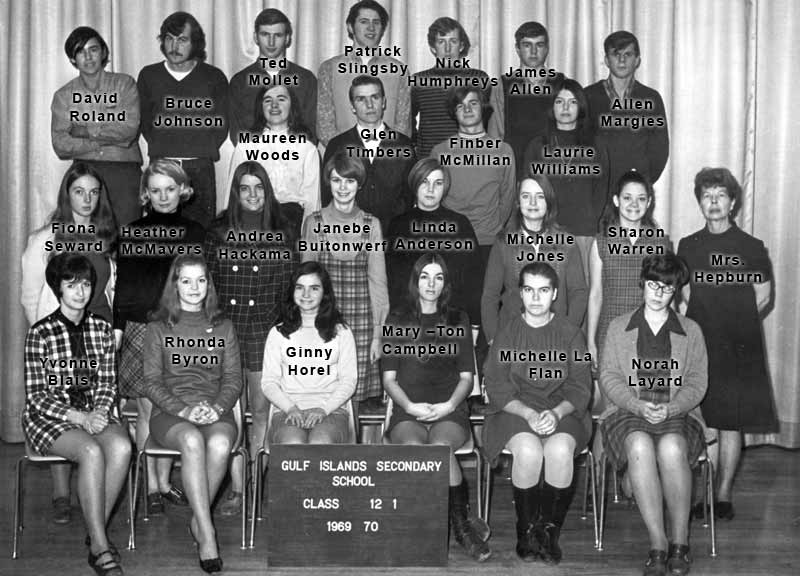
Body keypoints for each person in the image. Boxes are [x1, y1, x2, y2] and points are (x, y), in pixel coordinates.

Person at [20, 162, 118, 525]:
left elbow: (112, 286)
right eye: (79, 191)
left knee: (95, 407)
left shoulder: (105, 235)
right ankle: (62, 492)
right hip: (60, 338)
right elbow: (31, 297)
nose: (87, 198)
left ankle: (94, 499)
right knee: (62, 402)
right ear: (67, 195)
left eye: (94, 192)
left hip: (99, 333)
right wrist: (52, 340)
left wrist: (114, 333)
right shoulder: (46, 238)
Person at [599, 253, 708, 576]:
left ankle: (680, 541)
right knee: (639, 445)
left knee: (672, 447)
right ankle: (659, 544)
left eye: (667, 287)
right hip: (629, 410)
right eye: (652, 285)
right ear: (642, 285)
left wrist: (672, 407)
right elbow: (609, 376)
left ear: (676, 291)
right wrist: (637, 405)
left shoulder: (692, 330)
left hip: (678, 411)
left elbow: (698, 382)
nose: (658, 292)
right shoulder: (619, 327)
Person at [677, 167, 776, 521]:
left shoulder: (750, 247)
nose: (714, 202)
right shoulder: (688, 246)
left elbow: (763, 296)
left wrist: (736, 322)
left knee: (731, 422)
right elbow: (685, 296)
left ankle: (722, 496)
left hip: (739, 345)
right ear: (700, 203)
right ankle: (701, 491)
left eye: (720, 196)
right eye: (707, 196)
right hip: (702, 344)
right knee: (707, 420)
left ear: (732, 202)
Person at [23, 253, 131, 576]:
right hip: (51, 418)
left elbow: (107, 382)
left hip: (92, 412)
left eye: (85, 284)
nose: (80, 292)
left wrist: (99, 411)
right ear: (58, 288)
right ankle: (99, 544)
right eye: (72, 285)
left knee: (123, 447)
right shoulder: (40, 334)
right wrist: (81, 418)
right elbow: (37, 396)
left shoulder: (101, 329)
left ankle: (94, 528)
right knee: (90, 450)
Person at [382, 253, 491, 562]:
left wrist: (446, 406)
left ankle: (459, 527)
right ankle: (420, 526)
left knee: (440, 449)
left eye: (438, 277)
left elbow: (467, 378)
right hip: (408, 410)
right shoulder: (397, 319)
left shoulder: (458, 319)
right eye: (425, 276)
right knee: (416, 449)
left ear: (446, 284)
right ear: (415, 281)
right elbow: (389, 379)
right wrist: (410, 406)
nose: (431, 284)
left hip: (450, 410)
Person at [483, 262, 592, 564]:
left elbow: (581, 386)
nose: (535, 298)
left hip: (564, 410)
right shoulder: (507, 334)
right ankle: (526, 529)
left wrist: (556, 414)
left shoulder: (572, 334)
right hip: (514, 410)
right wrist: (528, 414)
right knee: (529, 451)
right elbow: (496, 384)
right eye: (529, 290)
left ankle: (548, 532)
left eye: (543, 290)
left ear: (554, 293)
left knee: (559, 449)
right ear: (520, 293)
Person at [114, 160, 206, 516]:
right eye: (155, 190)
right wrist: (119, 329)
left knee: (172, 405)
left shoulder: (195, 233)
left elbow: (198, 287)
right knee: (147, 408)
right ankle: (151, 485)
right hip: (141, 328)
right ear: (146, 194)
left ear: (182, 190)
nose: (163, 197)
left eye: (170, 189)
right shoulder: (132, 232)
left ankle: (165, 482)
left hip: (180, 329)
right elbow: (124, 287)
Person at [205, 161, 297, 514]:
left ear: (267, 191)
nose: (253, 195)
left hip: (265, 331)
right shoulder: (217, 233)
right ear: (236, 192)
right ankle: (237, 488)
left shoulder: (284, 232)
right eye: (245, 188)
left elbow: (290, 289)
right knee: (228, 412)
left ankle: (256, 485)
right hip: (227, 330)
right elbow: (209, 287)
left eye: (259, 188)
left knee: (260, 411)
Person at [141, 254, 242, 573]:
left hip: (215, 410)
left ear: (209, 285)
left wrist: (216, 408)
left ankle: (198, 522)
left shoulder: (223, 326)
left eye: (201, 280)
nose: (194, 287)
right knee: (192, 441)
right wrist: (184, 409)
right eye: (186, 280)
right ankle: (206, 532)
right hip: (170, 413)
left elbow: (233, 379)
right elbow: (152, 383)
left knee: (221, 445)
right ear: (175, 285)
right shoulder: (158, 327)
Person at [301, 151, 389, 407]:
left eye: (349, 181)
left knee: (357, 403)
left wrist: (378, 334)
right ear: (328, 181)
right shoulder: (314, 222)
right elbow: (305, 283)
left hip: (361, 324)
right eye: (337, 180)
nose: (342, 187)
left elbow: (378, 282)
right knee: (324, 398)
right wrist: (307, 327)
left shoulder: (372, 224)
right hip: (324, 320)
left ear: (359, 184)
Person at [137, 11, 228, 228]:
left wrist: (198, 148)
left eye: (182, 39)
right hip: (162, 165)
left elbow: (221, 124)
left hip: (199, 167)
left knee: (199, 234)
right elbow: (145, 121)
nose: (174, 46)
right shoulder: (149, 76)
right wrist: (165, 145)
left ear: (195, 43)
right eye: (169, 38)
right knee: (160, 234)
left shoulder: (213, 77)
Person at [481, 173, 588, 347]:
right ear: (518, 202)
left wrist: (568, 334)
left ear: (549, 202)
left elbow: (579, 292)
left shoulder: (567, 243)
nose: (532, 203)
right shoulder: (503, 242)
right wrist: (494, 339)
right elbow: (489, 296)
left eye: (539, 196)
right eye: (526, 196)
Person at [430, 87, 516, 301]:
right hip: (451, 243)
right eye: (460, 105)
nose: (467, 109)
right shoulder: (440, 152)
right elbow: (434, 200)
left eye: (473, 103)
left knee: (485, 308)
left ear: (484, 107)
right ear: (454, 112)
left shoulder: (503, 151)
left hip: (489, 244)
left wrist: (492, 227)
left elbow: (508, 197)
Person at [51, 27, 142, 226]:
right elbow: (60, 144)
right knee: (85, 237)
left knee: (126, 238)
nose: (88, 56)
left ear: (103, 52)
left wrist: (84, 131)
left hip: (124, 172)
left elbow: (128, 130)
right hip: (84, 171)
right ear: (73, 59)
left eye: (93, 49)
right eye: (81, 51)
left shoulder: (125, 84)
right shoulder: (64, 96)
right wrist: (103, 140)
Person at [261, 261, 357, 443]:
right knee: (293, 443)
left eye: (314, 288)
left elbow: (349, 381)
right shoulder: (277, 333)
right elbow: (268, 382)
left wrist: (324, 409)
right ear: (292, 291)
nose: (306, 294)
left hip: (331, 411)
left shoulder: (342, 332)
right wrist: (290, 408)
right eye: (300, 288)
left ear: (325, 294)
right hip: (287, 410)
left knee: (320, 443)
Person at [521, 77, 609, 274]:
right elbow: (527, 190)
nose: (565, 107)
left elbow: (602, 188)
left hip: (583, 230)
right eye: (559, 101)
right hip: (546, 231)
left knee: (581, 293)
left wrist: (591, 219)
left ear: (581, 107)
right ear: (552, 107)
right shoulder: (537, 146)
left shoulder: (595, 144)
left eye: (572, 102)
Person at [587, 170, 671, 372]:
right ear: (616, 200)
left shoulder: (660, 242)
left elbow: (669, 295)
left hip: (650, 334)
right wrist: (591, 342)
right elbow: (596, 294)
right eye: (627, 198)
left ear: (649, 202)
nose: (634, 204)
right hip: (610, 332)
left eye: (641, 199)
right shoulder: (601, 242)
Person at [385, 158, 479, 320]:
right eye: (424, 182)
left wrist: (474, 323)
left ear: (445, 188)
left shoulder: (460, 224)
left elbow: (473, 279)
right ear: (415, 184)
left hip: (450, 319)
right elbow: (392, 281)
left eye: (438, 183)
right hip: (408, 319)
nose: (430, 189)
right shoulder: (397, 225)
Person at [322, 75, 416, 233]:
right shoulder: (337, 145)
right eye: (361, 99)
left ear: (384, 102)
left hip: (394, 238)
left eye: (375, 97)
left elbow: (411, 194)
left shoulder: (404, 144)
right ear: (352, 106)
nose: (369, 104)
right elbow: (327, 195)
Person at [227, 84, 320, 237]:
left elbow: (312, 201)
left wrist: (306, 239)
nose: (274, 105)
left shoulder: (307, 149)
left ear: (292, 105)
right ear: (260, 107)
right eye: (267, 100)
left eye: (281, 99)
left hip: (291, 224)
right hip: (252, 221)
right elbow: (233, 193)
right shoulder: (245, 145)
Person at [317, 0, 410, 146]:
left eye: (376, 22)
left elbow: (403, 124)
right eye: (364, 22)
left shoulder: (399, 71)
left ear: (383, 28)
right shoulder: (330, 68)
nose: (371, 28)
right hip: (343, 161)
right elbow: (324, 124)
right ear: (350, 27)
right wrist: (346, 155)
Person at [585, 31, 669, 189]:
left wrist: (642, 181)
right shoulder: (588, 96)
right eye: (616, 54)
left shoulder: (651, 98)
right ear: (606, 60)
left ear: (637, 60)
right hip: (597, 191)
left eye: (628, 54)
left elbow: (660, 149)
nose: (622, 60)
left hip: (636, 192)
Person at [228, 8, 317, 143]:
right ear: (255, 37)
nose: (271, 42)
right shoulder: (239, 81)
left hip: (296, 160)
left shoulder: (306, 79)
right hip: (254, 160)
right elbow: (238, 134)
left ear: (287, 38)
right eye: (265, 34)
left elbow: (311, 130)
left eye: (278, 35)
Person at [410, 17, 492, 157]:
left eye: (453, 42)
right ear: (432, 47)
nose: (447, 49)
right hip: (430, 161)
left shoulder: (478, 79)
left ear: (461, 46)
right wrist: (416, 145)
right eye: (441, 42)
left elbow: (489, 122)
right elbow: (407, 119)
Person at [488, 21, 565, 166]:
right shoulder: (502, 85)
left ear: (547, 49)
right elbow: (495, 137)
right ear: (517, 49)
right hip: (515, 169)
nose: (534, 52)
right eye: (527, 45)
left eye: (539, 45)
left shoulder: (562, 83)